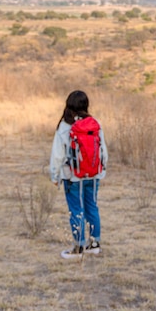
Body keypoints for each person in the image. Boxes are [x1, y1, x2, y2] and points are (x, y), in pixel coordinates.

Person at [50, 90, 108, 259]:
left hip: (72, 176)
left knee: (76, 210)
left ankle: (79, 247)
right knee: (92, 207)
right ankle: (94, 244)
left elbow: (57, 155)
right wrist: (101, 171)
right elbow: (103, 150)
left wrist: (55, 176)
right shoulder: (94, 124)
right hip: (93, 175)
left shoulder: (65, 126)